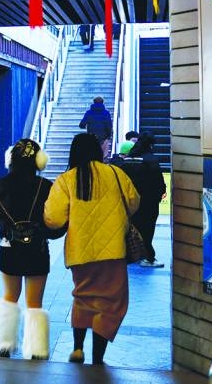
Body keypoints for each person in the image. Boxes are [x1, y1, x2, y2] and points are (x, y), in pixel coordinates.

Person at [44, 133, 140, 365]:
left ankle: (77, 348)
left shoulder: (66, 180)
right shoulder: (116, 174)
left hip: (81, 252)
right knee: (110, 304)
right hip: (113, 251)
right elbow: (134, 202)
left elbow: (54, 219)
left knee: (83, 297)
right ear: (97, 150)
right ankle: (98, 356)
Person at [0, 138, 57, 360]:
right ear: (39, 161)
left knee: (10, 295)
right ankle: (36, 350)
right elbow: (57, 223)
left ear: (10, 159)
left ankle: (3, 345)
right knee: (35, 302)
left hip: (9, 250)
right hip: (37, 251)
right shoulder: (47, 187)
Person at [110, 132, 166, 268]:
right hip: (149, 202)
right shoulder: (151, 160)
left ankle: (130, 254)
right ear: (151, 145)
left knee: (133, 228)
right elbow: (158, 182)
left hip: (131, 201)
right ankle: (148, 257)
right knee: (148, 229)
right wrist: (159, 195)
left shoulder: (129, 159)